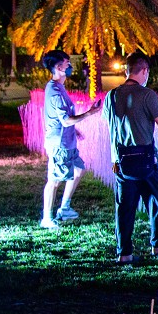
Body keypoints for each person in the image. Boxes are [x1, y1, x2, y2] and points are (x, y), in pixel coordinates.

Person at [103, 53, 158, 264]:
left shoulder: (110, 96)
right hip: (145, 160)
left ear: (126, 71)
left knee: (124, 208)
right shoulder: (147, 95)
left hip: (120, 161)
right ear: (144, 71)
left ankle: (124, 254)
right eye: (147, 72)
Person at [40, 49, 102, 229]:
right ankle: (47, 218)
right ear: (59, 67)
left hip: (67, 141)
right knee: (54, 181)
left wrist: (75, 131)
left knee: (78, 169)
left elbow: (65, 118)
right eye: (67, 64)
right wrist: (90, 113)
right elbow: (65, 120)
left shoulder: (59, 87)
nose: (70, 67)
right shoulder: (55, 91)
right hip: (59, 144)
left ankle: (64, 208)